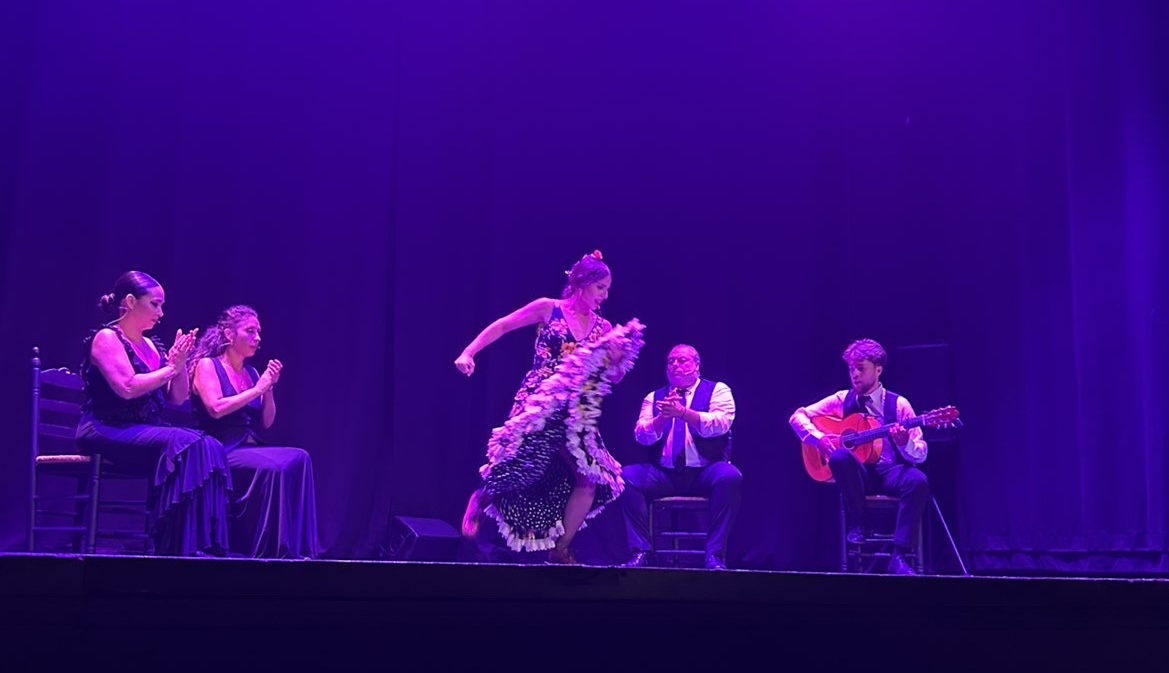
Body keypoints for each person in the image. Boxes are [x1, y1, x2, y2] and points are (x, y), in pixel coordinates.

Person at [455, 250, 645, 565]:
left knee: (590, 478)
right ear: (581, 283)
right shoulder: (549, 308)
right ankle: (482, 495)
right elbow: (503, 325)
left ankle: (561, 549)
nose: (605, 295)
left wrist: (616, 361)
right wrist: (468, 352)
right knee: (527, 465)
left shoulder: (603, 327)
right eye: (600, 288)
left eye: (608, 290)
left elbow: (614, 377)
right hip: (539, 402)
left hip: (575, 411)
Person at [76, 270, 233, 557]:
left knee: (209, 444)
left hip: (143, 429)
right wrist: (170, 368)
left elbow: (176, 397)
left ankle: (201, 544)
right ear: (130, 301)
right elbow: (127, 387)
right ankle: (176, 547)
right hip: (106, 428)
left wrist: (180, 364)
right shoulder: (107, 338)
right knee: (186, 444)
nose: (161, 313)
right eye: (155, 304)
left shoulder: (150, 345)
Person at [189, 305, 320, 559]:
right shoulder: (208, 365)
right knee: (275, 467)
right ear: (229, 334)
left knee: (300, 457)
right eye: (250, 331)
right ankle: (272, 552)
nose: (257, 338)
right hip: (220, 448)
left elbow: (267, 422)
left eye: (258, 332)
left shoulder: (250, 372)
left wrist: (268, 388)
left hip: (247, 445)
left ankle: (301, 550)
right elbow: (215, 408)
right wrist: (257, 389)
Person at [788, 338, 929, 575]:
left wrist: (904, 443)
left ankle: (899, 556)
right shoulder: (842, 399)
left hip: (890, 473)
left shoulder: (898, 404)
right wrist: (819, 439)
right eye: (851, 368)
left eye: (861, 368)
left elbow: (921, 452)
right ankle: (860, 523)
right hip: (858, 477)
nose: (854, 374)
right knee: (839, 457)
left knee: (918, 480)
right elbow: (797, 416)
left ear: (878, 370)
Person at [619, 344, 740, 570]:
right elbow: (641, 436)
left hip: (705, 472)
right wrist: (661, 419)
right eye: (671, 361)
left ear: (696, 365)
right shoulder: (654, 397)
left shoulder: (718, 390)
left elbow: (721, 424)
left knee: (730, 476)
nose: (675, 365)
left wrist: (684, 413)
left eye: (682, 360)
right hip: (664, 474)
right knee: (627, 477)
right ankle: (642, 551)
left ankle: (715, 555)